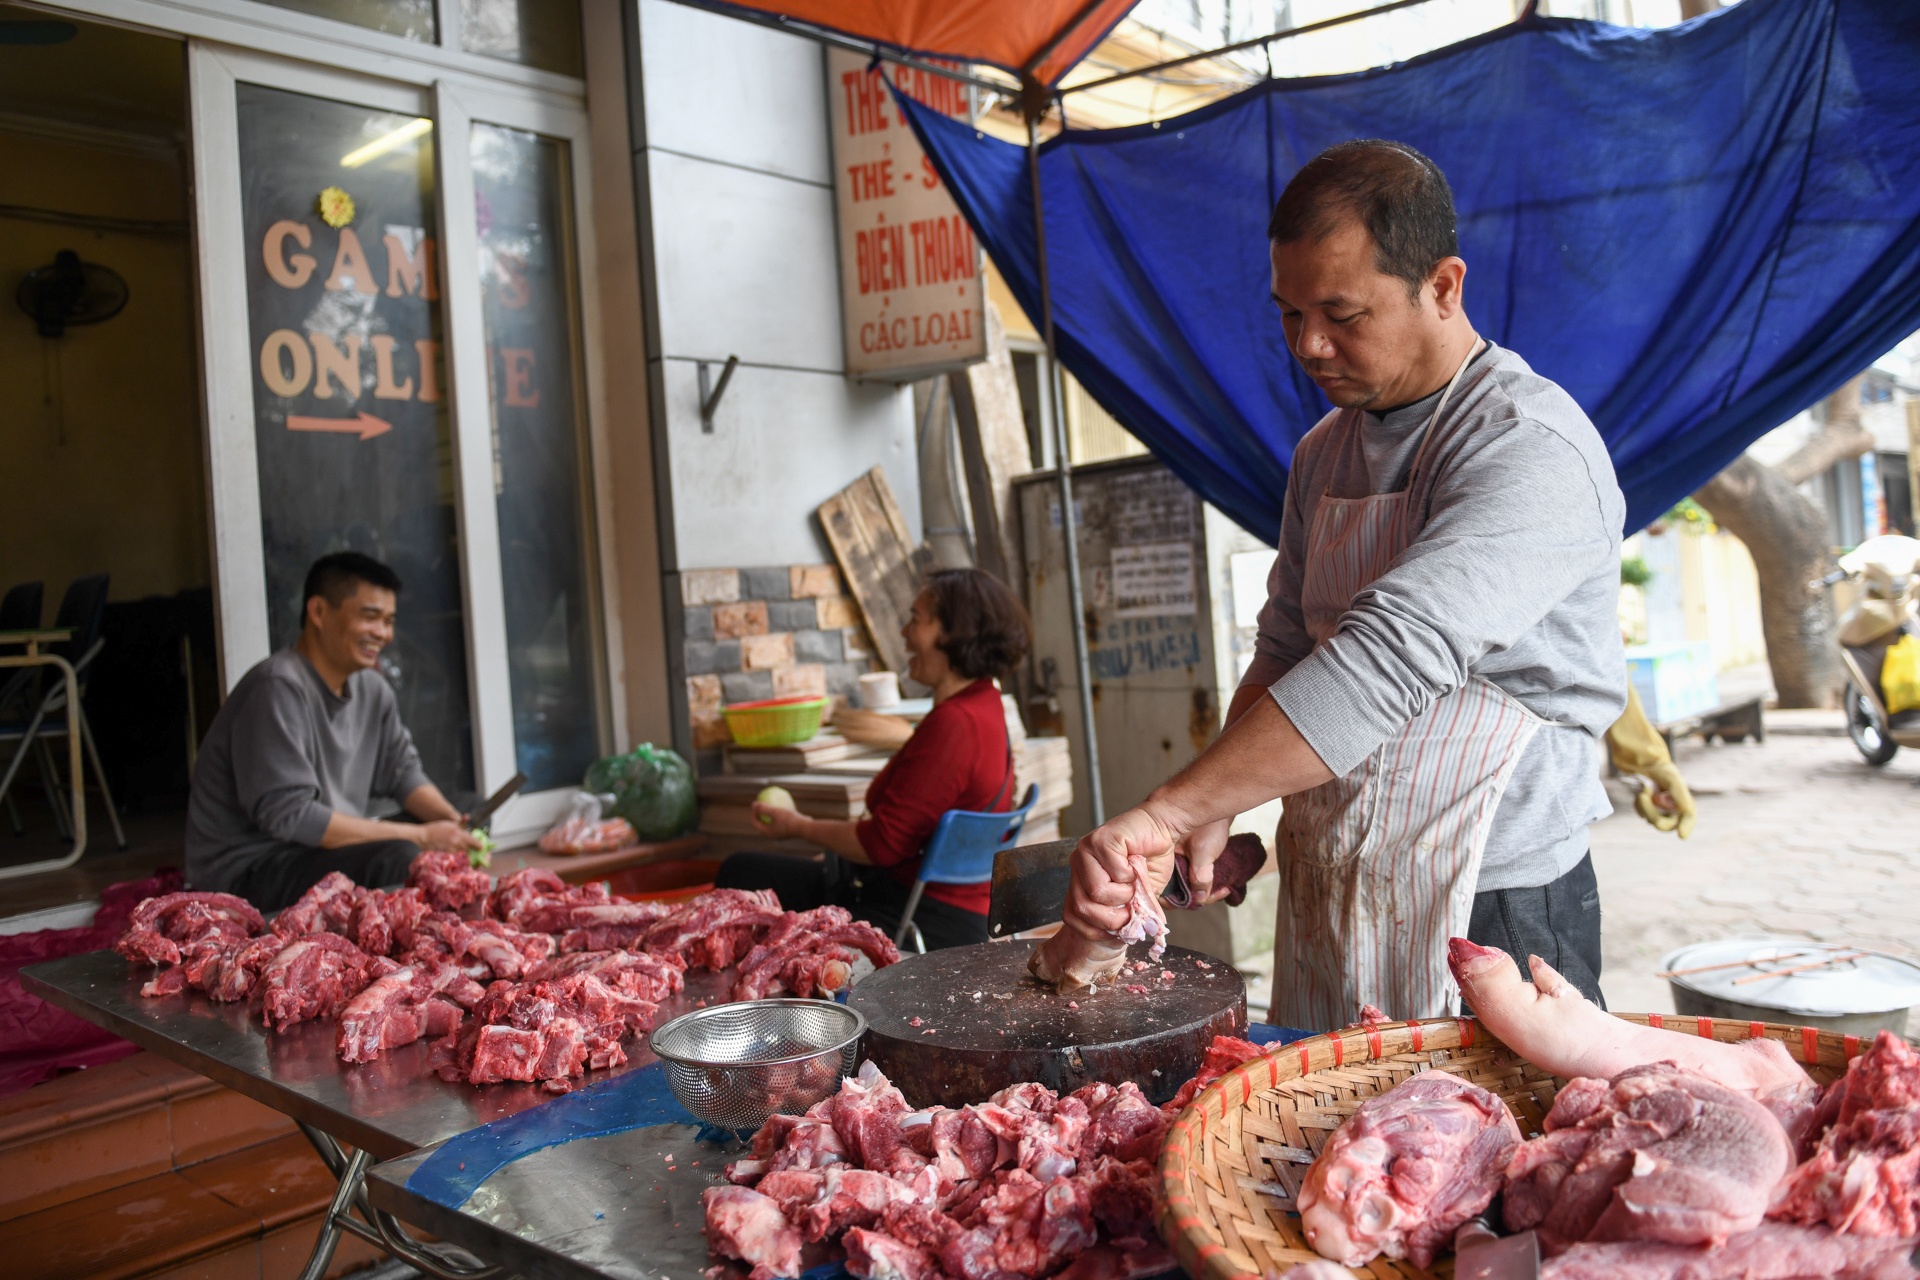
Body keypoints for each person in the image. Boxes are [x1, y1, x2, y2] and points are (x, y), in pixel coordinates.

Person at [1057, 140, 1629, 1028]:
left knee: (1485, 1153)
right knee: (1327, 1144)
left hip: (1493, 898)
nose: (1309, 346)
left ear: (1442, 286)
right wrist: (1222, 806)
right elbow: (1288, 642)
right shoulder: (1324, 453)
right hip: (1334, 878)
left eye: (1341, 312)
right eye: (1288, 314)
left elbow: (1389, 657)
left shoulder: (1528, 445)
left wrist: (1170, 812)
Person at [715, 568, 1029, 950]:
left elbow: (879, 846)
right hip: (950, 905)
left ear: (953, 632)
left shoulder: (956, 724)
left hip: (917, 916)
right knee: (750, 870)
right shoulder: (985, 705)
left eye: (916, 619)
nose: (904, 633)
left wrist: (798, 825)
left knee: (739, 873)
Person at [186, 552, 478, 910]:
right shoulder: (277, 686)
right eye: (370, 617)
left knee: (471, 808)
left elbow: (403, 774)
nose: (383, 634)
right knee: (401, 855)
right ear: (318, 612)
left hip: (319, 851)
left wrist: (447, 821)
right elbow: (291, 817)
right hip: (254, 871)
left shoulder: (373, 689)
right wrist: (421, 835)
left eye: (389, 621)